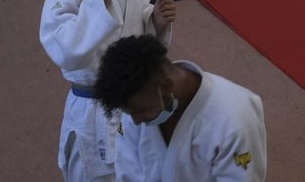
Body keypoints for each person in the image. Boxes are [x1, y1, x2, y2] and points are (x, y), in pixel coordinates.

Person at [39, 0, 177, 182]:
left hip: (135, 100)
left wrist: (157, 22)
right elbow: (63, 48)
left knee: (142, 173)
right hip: (93, 108)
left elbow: (135, 29)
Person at [94, 36, 267, 182]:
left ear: (166, 87)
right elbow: (128, 174)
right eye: (129, 114)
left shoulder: (234, 120)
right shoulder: (136, 104)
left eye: (139, 112)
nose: (135, 121)